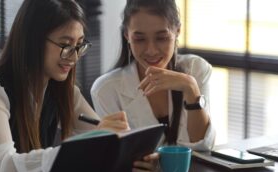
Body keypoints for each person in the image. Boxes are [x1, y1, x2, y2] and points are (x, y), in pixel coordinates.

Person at [0, 0, 157, 172]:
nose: (74, 57)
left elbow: (106, 148)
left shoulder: (64, 93)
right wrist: (84, 147)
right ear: (33, 41)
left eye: (79, 46)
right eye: (66, 45)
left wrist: (135, 163)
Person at [91, 0, 215, 150]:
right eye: (140, 39)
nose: (151, 50)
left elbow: (203, 147)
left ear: (177, 31)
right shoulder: (106, 90)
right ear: (127, 36)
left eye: (161, 38)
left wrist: (190, 87)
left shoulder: (196, 69)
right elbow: (117, 156)